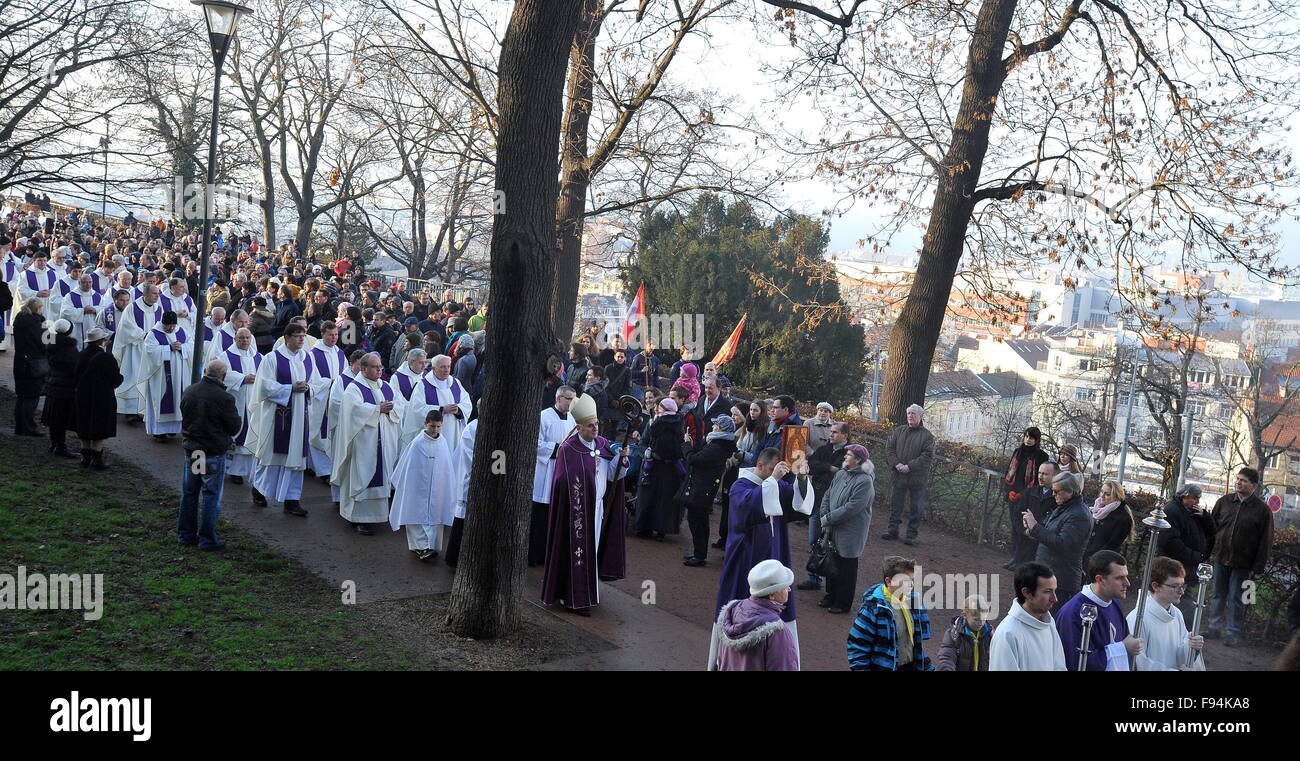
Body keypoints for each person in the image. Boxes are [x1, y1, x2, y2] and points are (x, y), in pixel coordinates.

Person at [708, 447, 813, 670]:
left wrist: (802, 477)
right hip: (746, 560)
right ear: (761, 466)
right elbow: (748, 508)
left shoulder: (775, 485)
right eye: (775, 469)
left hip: (774, 556)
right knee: (740, 604)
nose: (780, 474)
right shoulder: (740, 486)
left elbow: (799, 504)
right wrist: (774, 479)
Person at [540, 393, 630, 617]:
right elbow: (561, 480)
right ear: (579, 428)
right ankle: (573, 598)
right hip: (574, 512)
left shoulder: (602, 443)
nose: (596, 429)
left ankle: (586, 594)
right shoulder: (569, 449)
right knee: (577, 552)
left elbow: (612, 476)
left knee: (592, 551)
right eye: (591, 426)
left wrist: (621, 459)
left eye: (597, 424)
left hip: (597, 509)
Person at [249, 323, 318, 515]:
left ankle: (292, 500)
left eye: (303, 336)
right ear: (286, 338)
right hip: (277, 416)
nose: (301, 340)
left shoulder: (307, 358)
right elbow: (263, 386)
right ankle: (258, 489)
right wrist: (289, 389)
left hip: (300, 416)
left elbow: (316, 383)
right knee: (272, 455)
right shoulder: (272, 358)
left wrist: (308, 388)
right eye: (297, 336)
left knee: (297, 457)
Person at [331, 352, 400, 535]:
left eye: (380, 367)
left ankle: (377, 516)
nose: (379, 370)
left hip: (383, 441)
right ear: (363, 368)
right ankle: (357, 518)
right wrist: (378, 409)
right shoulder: (354, 388)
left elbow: (400, 406)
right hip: (363, 443)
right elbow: (352, 412)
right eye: (375, 367)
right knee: (362, 475)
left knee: (381, 475)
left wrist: (391, 409)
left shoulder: (385, 386)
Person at [178, 359, 243, 551]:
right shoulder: (224, 398)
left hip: (194, 450)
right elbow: (234, 426)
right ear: (223, 376)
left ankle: (186, 535)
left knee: (190, 493)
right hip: (212, 452)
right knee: (210, 495)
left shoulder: (190, 390)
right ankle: (207, 538)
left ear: (205, 371)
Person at [1206, 467, 1273, 647]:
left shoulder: (1262, 510)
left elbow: (1265, 541)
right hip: (1221, 557)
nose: (1238, 482)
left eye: (1243, 480)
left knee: (1238, 598)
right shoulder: (1224, 502)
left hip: (1243, 563)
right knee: (1218, 595)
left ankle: (1233, 633)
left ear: (1254, 485)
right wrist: (1208, 553)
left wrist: (1258, 566)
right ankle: (1214, 628)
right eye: (1237, 479)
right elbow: (1212, 529)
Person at [389, 408, 458, 560]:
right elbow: (409, 467)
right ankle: (419, 546)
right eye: (432, 426)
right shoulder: (417, 443)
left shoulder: (443, 442)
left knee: (435, 512)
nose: (435, 429)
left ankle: (431, 546)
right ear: (425, 423)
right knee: (415, 512)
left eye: (438, 426)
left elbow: (447, 468)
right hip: (417, 486)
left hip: (437, 487)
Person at [1058, 550, 1144, 671]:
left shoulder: (1114, 604)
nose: (1127, 583)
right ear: (1100, 579)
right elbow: (1077, 663)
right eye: (1120, 578)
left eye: (1126, 576)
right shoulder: (1073, 612)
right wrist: (1123, 648)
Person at [847, 556, 933, 671]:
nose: (911, 585)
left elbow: (914, 644)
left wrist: (927, 667)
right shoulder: (873, 609)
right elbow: (857, 645)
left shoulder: (913, 603)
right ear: (888, 581)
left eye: (912, 580)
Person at [713, 560, 800, 671]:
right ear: (772, 594)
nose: (789, 589)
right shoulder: (777, 632)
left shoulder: (732, 612)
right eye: (784, 587)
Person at [1026, 471, 1092, 614]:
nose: (1053, 494)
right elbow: (1047, 531)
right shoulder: (1064, 507)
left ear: (1071, 491)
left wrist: (1035, 527)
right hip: (1050, 576)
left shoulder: (1079, 515)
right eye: (1052, 490)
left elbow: (1063, 544)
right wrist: (1031, 528)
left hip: (1061, 582)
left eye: (1056, 491)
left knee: (1054, 624)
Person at [819, 443, 874, 613]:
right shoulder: (841, 473)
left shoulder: (865, 481)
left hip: (851, 531)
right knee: (831, 561)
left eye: (848, 455)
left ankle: (843, 602)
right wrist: (825, 512)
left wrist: (828, 517)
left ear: (858, 460)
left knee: (846, 567)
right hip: (833, 527)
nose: (845, 457)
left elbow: (852, 507)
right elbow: (828, 494)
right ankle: (830, 595)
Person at [1127, 556, 1206, 671]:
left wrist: (1190, 646)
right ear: (1156, 586)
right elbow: (1139, 663)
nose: (1181, 591)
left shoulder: (1177, 614)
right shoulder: (1138, 618)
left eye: (1182, 585)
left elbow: (1179, 657)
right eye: (1174, 586)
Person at [680, 414, 738, 567]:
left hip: (702, 488)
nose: (713, 427)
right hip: (705, 487)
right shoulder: (719, 444)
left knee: (697, 521)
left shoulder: (716, 446)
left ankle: (699, 555)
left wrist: (686, 445)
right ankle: (700, 552)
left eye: (716, 425)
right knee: (700, 521)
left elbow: (694, 460)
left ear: (721, 428)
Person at [988, 562, 1067, 671]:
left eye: (1054, 590)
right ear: (1027, 593)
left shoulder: (1049, 624)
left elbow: (1059, 667)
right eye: (1047, 592)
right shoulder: (1008, 633)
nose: (1055, 599)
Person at [800, 422, 851, 591]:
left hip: (835, 504)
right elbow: (811, 466)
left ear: (845, 435)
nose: (831, 434)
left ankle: (829, 579)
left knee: (830, 543)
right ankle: (813, 577)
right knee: (814, 540)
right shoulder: (823, 450)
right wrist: (828, 467)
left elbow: (844, 473)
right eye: (831, 431)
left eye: (835, 432)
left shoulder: (849, 454)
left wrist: (825, 469)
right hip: (817, 499)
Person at [531, 385, 578, 566]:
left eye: (574, 398)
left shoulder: (573, 419)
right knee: (540, 515)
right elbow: (535, 442)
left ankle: (550, 555)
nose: (572, 402)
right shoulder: (544, 416)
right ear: (558, 399)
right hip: (544, 471)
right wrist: (559, 449)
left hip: (562, 471)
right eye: (569, 398)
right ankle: (534, 555)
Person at [1158, 483, 1217, 623]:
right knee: (1183, 599)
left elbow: (1212, 531)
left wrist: (1205, 516)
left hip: (1188, 564)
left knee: (1181, 598)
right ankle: (1185, 627)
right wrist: (1195, 556)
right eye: (1194, 498)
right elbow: (1171, 542)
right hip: (1180, 564)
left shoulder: (1191, 511)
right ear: (1184, 497)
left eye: (1199, 498)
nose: (1197, 502)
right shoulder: (1173, 511)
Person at [634, 396, 685, 540]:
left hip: (660, 467)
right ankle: (656, 528)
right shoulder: (660, 424)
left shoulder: (657, 424)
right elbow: (643, 443)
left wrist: (647, 453)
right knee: (657, 500)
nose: (657, 409)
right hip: (664, 467)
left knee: (653, 499)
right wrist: (646, 452)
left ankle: (648, 528)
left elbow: (643, 443)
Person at [883, 403, 934, 545]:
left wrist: (909, 467)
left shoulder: (927, 436)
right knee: (896, 505)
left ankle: (911, 535)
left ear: (920, 416)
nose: (910, 416)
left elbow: (927, 456)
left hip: (917, 479)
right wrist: (897, 464)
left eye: (913, 413)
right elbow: (889, 449)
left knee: (916, 507)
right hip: (899, 476)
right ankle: (892, 530)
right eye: (909, 413)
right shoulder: (898, 431)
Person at [113, 284, 164, 422]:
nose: (157, 296)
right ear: (145, 294)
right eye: (154, 293)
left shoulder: (159, 308)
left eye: (158, 293)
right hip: (135, 348)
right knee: (133, 378)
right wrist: (144, 334)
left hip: (152, 349)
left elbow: (161, 326)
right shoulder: (132, 308)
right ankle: (130, 411)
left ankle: (146, 410)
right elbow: (126, 327)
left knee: (149, 379)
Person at [138, 311, 191, 440]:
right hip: (160, 375)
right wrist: (168, 348)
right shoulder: (154, 334)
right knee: (161, 397)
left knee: (178, 397)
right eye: (168, 325)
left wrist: (183, 347)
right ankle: (158, 431)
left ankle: (173, 429)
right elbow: (150, 351)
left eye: (173, 325)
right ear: (163, 323)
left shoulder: (182, 332)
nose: (171, 328)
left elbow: (192, 345)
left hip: (179, 374)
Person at [219, 328, 263, 485]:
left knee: (252, 434)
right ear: (234, 339)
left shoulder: (258, 357)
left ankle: (249, 470)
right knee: (237, 435)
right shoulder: (226, 356)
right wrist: (243, 378)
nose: (245, 341)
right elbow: (222, 375)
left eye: (247, 338)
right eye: (241, 338)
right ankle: (234, 471)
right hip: (236, 401)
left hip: (254, 402)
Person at [73, 327, 122, 470]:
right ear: (102, 342)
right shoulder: (107, 358)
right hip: (102, 398)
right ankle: (97, 460)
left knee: (84, 426)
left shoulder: (81, 355)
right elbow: (115, 380)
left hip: (82, 396)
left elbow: (74, 375)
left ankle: (85, 458)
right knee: (99, 428)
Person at [1002, 426, 1049, 569]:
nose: (1028, 440)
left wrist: (1023, 494)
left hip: (1029, 496)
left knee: (1025, 530)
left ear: (1037, 440)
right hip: (1013, 495)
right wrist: (1009, 492)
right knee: (1015, 528)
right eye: (1027, 436)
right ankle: (1015, 558)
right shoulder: (1018, 452)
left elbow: (1038, 480)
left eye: (1032, 438)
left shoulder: (1041, 456)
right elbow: (1009, 472)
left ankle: (1022, 560)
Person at [41, 319, 80, 458]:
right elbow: (74, 368)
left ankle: (54, 443)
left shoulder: (52, 343)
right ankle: (61, 446)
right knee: (61, 418)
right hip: (65, 388)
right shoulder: (68, 348)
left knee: (54, 417)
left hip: (53, 384)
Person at [1011, 460, 1060, 567]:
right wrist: (1025, 531)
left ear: (1055, 475)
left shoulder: (1059, 498)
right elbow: (1017, 515)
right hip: (1023, 546)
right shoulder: (1030, 492)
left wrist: (1038, 533)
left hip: (1043, 550)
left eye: (1045, 474)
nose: (1040, 477)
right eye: (1039, 473)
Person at [1083, 480, 1136, 576]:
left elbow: (1111, 546)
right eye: (1101, 492)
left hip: (1101, 565)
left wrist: (1090, 563)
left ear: (1117, 497)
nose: (1102, 496)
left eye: (1107, 494)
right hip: (1084, 559)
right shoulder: (1096, 509)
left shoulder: (1123, 518)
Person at [12, 297, 48, 436]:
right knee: (32, 397)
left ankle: (20, 427)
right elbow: (47, 343)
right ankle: (28, 427)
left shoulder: (20, 320)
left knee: (22, 396)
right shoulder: (38, 323)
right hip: (34, 364)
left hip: (21, 361)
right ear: (38, 309)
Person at [937, 596, 994, 671]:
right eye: (976, 619)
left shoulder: (991, 634)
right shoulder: (953, 635)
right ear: (965, 615)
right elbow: (947, 657)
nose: (981, 623)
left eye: (984, 619)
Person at [59, 273, 107, 349]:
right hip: (77, 330)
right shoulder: (70, 296)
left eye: (90, 282)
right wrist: (83, 311)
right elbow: (65, 312)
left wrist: (95, 310)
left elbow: (104, 310)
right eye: (84, 282)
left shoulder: (97, 296)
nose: (87, 285)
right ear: (79, 283)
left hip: (93, 327)